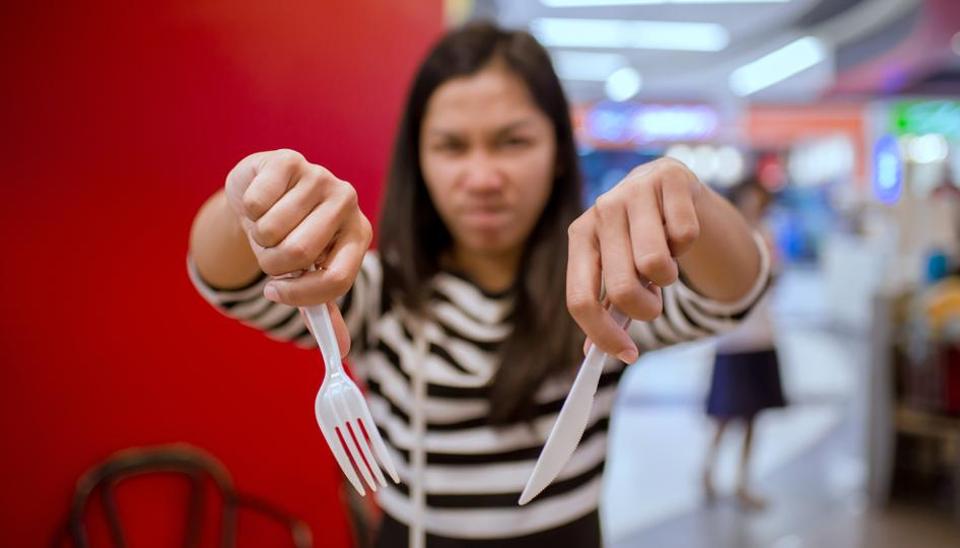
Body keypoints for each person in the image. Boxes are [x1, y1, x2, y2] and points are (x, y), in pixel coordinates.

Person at [189, 22, 769, 548]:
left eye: (513, 141)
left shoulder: (605, 290)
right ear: (419, 160)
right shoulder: (372, 290)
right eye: (451, 146)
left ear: (558, 153)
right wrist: (249, 203)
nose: (484, 177)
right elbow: (227, 282)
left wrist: (689, 196)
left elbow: (735, 295)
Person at [701, 178, 785, 511]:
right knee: (725, 414)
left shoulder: (767, 233)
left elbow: (774, 280)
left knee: (753, 417)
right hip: (733, 339)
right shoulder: (728, 235)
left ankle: (742, 480)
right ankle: (708, 471)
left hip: (761, 336)